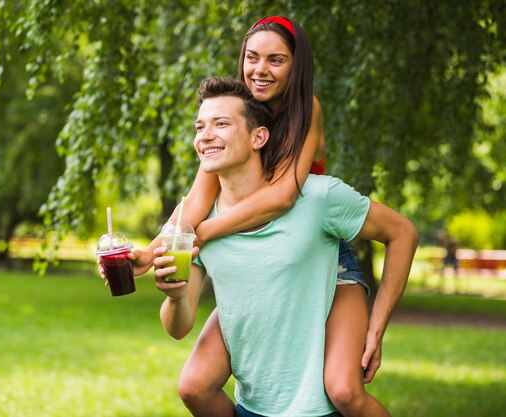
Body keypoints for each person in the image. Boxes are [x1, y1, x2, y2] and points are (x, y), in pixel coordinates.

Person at [102, 15, 406, 417]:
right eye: (252, 57)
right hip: (262, 260)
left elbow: (281, 198)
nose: (260, 69)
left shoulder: (305, 110)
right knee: (193, 384)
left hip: (323, 257)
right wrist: (149, 253)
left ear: (297, 66)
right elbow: (194, 202)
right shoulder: (227, 127)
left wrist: (204, 234)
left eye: (276, 60)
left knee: (344, 390)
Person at [154, 76, 418, 417]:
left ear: (258, 136)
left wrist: (376, 327)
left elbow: (403, 233)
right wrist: (175, 297)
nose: (205, 135)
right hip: (253, 403)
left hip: (318, 406)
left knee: (346, 392)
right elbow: (178, 328)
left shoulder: (317, 196)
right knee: (192, 386)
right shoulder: (198, 220)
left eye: (221, 124)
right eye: (199, 126)